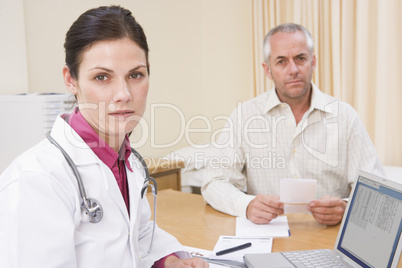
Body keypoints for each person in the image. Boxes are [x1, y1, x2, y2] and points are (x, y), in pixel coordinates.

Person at [0, 6, 207, 268]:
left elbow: (137, 234)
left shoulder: (127, 161)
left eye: (135, 75)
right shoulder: (36, 181)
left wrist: (169, 261)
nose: (124, 94)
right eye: (102, 77)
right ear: (70, 79)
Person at [201, 23, 384, 226]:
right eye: (281, 62)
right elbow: (214, 182)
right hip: (266, 240)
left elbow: (376, 192)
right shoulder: (244, 116)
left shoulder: (346, 117)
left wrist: (347, 208)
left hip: (327, 240)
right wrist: (246, 205)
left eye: (300, 58)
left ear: (313, 62)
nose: (293, 70)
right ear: (267, 70)